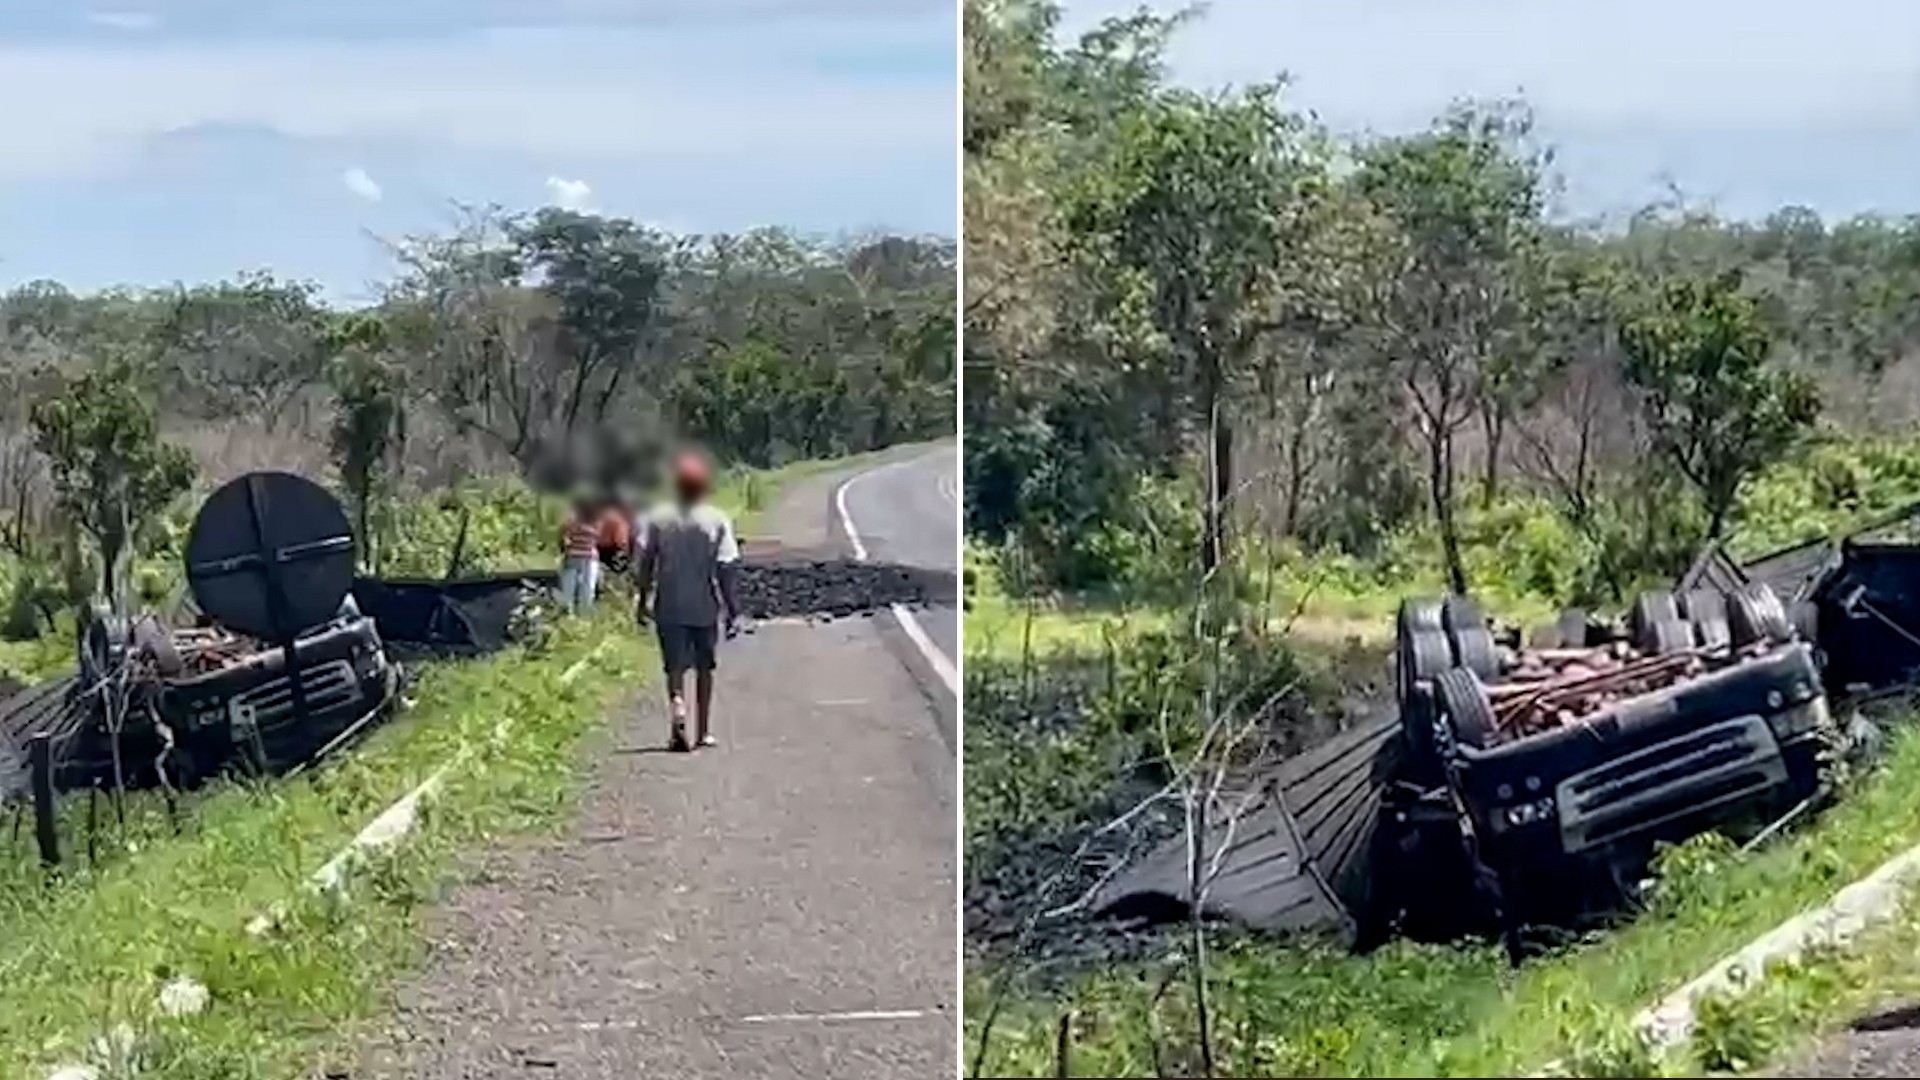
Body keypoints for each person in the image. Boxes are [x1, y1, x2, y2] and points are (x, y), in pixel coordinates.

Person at [633, 450, 743, 752]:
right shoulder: (716, 521)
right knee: (705, 669)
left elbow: (645, 564)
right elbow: (726, 568)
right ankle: (704, 731)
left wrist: (642, 600)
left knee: (675, 669)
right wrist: (733, 609)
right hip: (705, 607)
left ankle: (678, 709)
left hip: (669, 606)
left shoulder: (660, 519)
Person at [558, 497, 603, 615]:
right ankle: (580, 618)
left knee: (571, 593)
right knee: (585, 593)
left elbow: (563, 537)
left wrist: (565, 548)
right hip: (587, 559)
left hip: (577, 557)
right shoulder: (596, 521)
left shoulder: (572, 520)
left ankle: (572, 618)